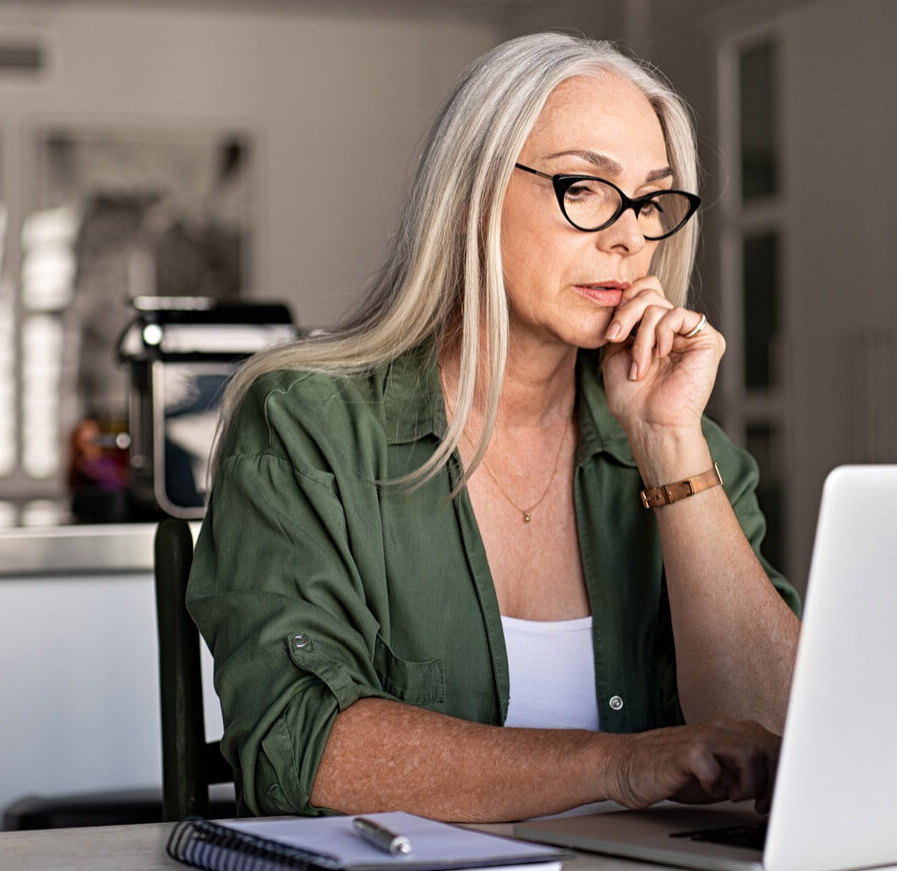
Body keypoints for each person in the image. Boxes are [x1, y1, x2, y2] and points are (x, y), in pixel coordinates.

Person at [186, 31, 801, 823]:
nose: (630, 236)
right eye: (583, 186)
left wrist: (667, 448)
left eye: (651, 201)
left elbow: (786, 746)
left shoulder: (687, 449)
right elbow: (298, 749)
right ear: (472, 191)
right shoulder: (308, 424)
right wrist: (621, 763)